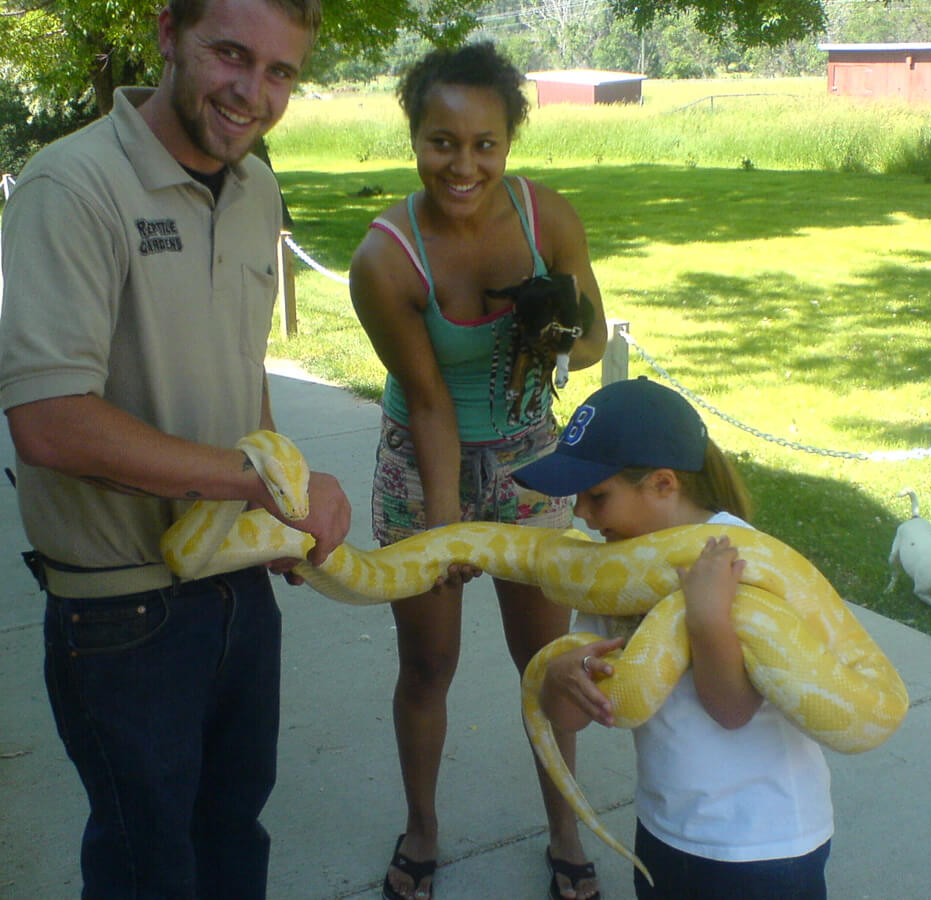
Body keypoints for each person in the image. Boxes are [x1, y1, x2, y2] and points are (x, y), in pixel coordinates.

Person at [0, 1, 351, 896]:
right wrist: (256, 484)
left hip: (238, 588)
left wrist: (285, 505)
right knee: (147, 866)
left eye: (281, 73)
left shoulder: (257, 187)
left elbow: (242, 378)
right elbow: (49, 421)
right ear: (167, 32)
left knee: (234, 838)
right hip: (123, 613)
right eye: (230, 54)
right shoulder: (71, 186)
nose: (252, 93)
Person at [348, 42, 608, 900]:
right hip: (426, 464)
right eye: (440, 141)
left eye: (484, 143)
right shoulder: (385, 258)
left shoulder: (549, 220)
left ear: (509, 141)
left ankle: (566, 828)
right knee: (430, 665)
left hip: (533, 457)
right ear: (415, 136)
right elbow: (428, 403)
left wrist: (556, 339)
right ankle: (422, 831)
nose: (463, 164)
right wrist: (449, 526)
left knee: (551, 663)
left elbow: (597, 338)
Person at [512, 377, 834, 900]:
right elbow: (573, 715)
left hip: (766, 847)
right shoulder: (612, 573)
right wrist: (555, 677)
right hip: (665, 831)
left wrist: (706, 620)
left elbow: (732, 710)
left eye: (597, 496)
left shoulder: (747, 562)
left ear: (663, 484)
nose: (583, 516)